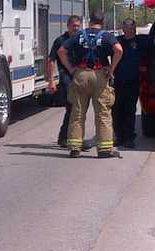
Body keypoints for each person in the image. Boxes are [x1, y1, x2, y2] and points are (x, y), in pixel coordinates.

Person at [58, 11, 123, 159]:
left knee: (77, 113)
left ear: (89, 21)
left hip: (81, 75)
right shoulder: (107, 36)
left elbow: (61, 51)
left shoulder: (79, 35)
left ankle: (75, 148)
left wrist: (71, 69)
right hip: (100, 75)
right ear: (102, 22)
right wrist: (111, 69)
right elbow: (119, 50)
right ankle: (104, 149)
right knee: (103, 113)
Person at [46, 15, 83, 148]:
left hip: (79, 76)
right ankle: (67, 138)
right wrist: (51, 81)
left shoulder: (81, 40)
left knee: (77, 108)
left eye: (78, 26)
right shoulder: (60, 41)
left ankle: (67, 137)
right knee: (72, 107)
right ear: (68, 26)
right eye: (74, 26)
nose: (76, 28)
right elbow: (51, 60)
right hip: (66, 76)